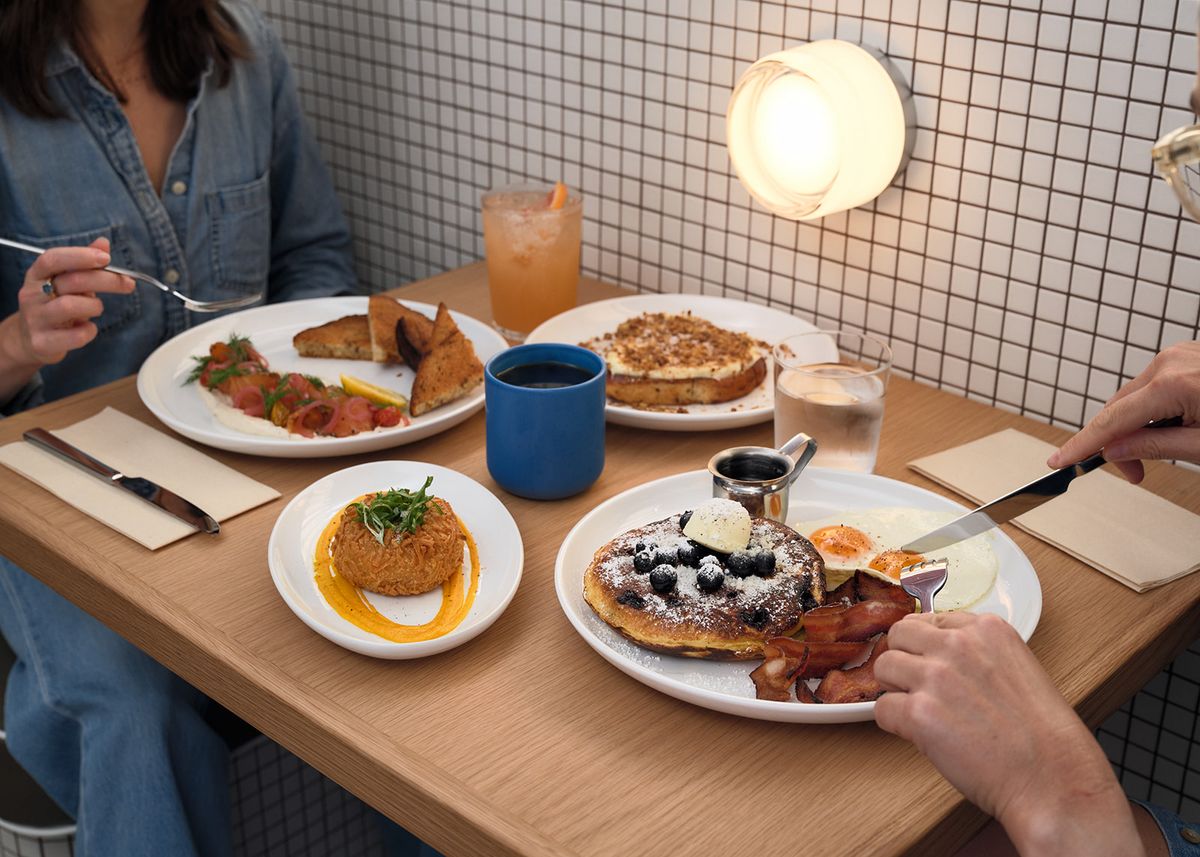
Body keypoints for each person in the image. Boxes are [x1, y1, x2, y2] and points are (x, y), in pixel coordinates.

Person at [0, 1, 355, 855]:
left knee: (372, 637)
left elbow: (315, 255)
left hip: (249, 470)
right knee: (133, 694)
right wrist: (17, 343)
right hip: (48, 476)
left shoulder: (245, 53)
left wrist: (290, 388)